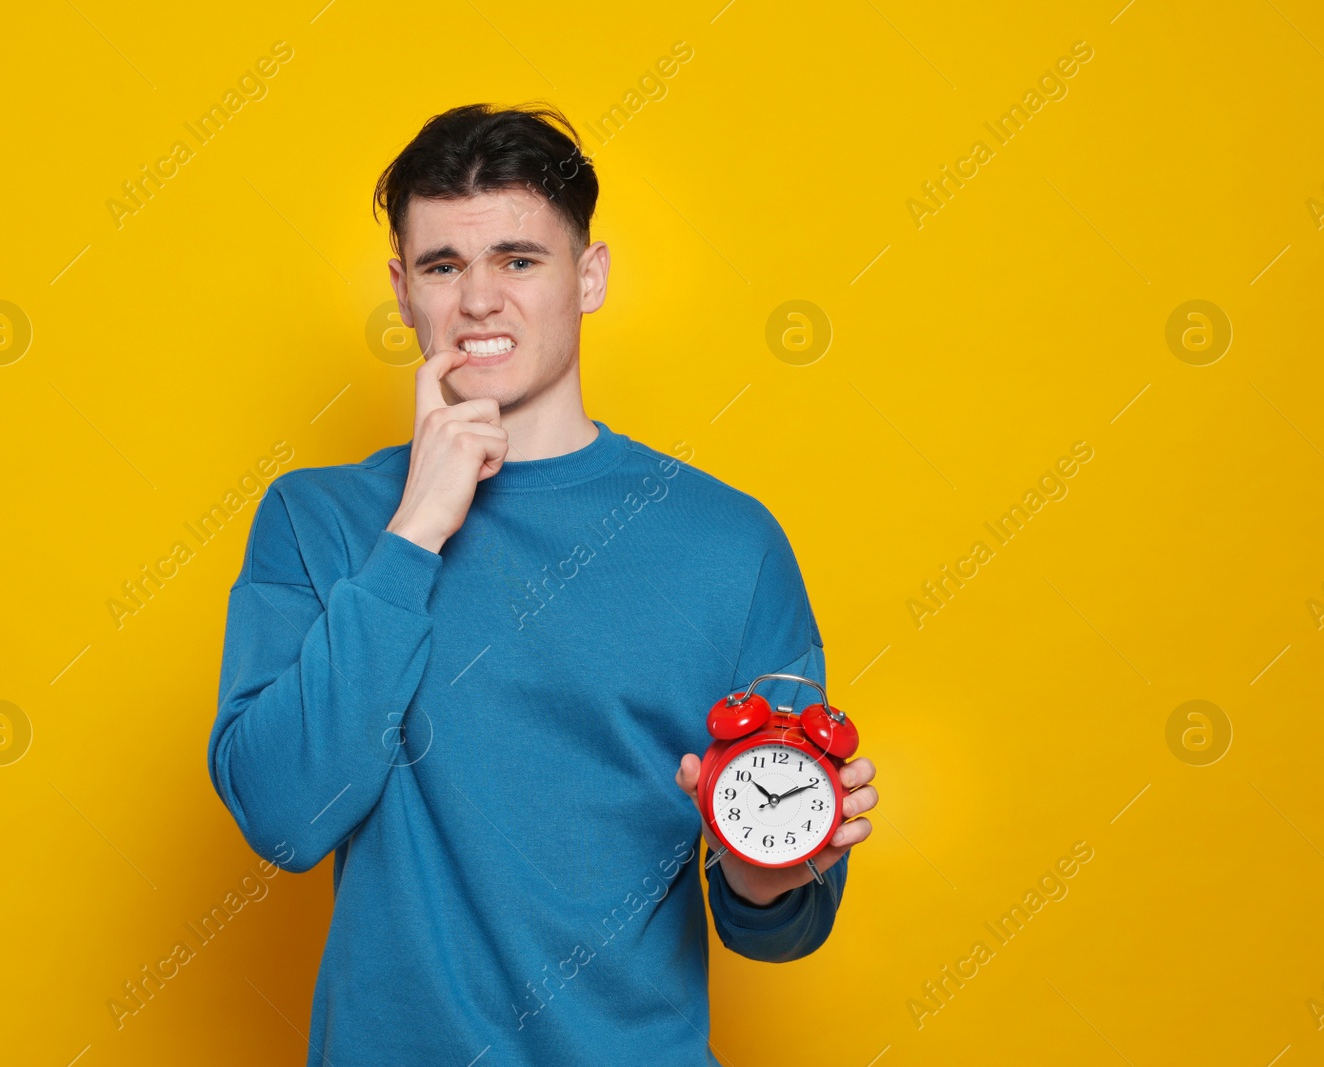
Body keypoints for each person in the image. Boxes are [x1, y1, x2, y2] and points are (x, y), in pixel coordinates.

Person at [207, 101, 879, 1066]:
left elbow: (781, 918)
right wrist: (415, 531)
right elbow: (284, 816)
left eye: (519, 259)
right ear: (403, 290)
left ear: (589, 276)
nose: (480, 300)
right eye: (444, 265)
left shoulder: (730, 544)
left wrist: (764, 878)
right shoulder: (320, 521)